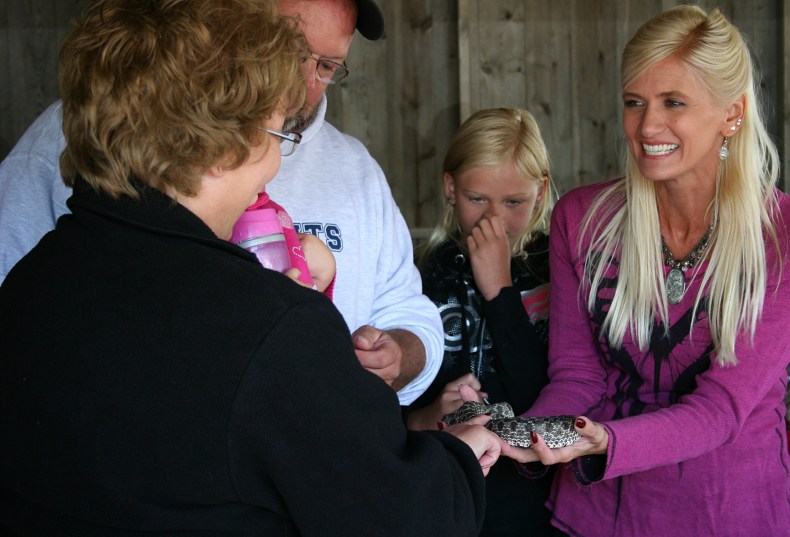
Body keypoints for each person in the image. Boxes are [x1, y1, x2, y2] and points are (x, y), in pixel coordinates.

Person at [0, 0, 519, 533]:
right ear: (222, 146)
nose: (276, 164)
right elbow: (404, 518)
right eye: (277, 136)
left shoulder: (31, 284)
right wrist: (455, 461)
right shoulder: (276, 325)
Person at [0, 0, 442, 406]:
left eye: (327, 66)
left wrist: (398, 356)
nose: (303, 83)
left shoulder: (354, 168)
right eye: (289, 53)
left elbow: (410, 311)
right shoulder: (82, 136)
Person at [518, 6, 790, 536]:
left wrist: (606, 441)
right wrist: (527, 432)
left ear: (731, 114)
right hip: (598, 512)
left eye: (674, 103)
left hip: (730, 510)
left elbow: (721, 408)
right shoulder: (581, 218)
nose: (646, 127)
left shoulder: (780, 234)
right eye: (634, 102)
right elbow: (576, 376)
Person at [404, 108, 555, 537]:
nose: (493, 220)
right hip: (439, 491)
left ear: (540, 193)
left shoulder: (555, 269)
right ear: (450, 187)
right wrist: (426, 415)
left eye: (513, 202)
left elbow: (548, 394)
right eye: (477, 199)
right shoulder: (419, 272)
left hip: (529, 503)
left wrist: (500, 291)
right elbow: (390, 393)